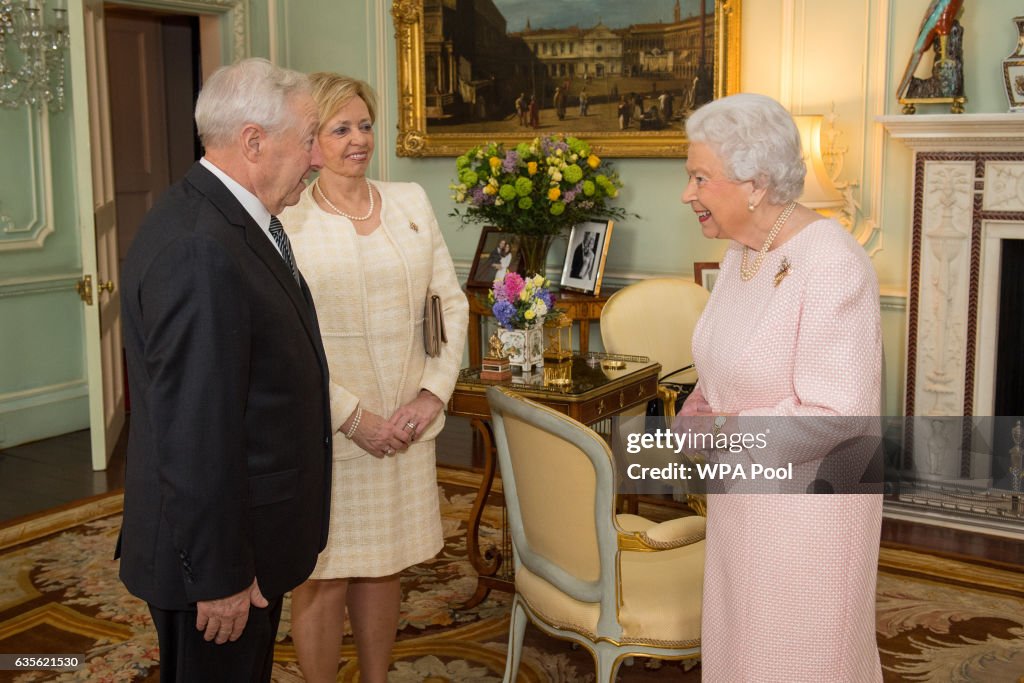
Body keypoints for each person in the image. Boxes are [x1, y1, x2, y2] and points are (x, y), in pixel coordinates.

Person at [117, 58, 331, 682]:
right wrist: (221, 577)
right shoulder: (200, 247)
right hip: (214, 570)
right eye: (309, 137)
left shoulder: (224, 221)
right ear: (253, 141)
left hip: (244, 544)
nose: (317, 157)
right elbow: (195, 430)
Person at [674, 93, 883, 682]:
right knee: (743, 649)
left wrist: (719, 436)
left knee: (799, 657)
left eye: (700, 178)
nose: (687, 194)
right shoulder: (746, 253)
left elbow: (837, 413)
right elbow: (724, 367)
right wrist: (698, 407)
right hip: (746, 499)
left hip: (808, 516)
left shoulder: (832, 263)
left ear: (756, 183)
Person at [279, 73, 468, 683]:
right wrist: (352, 418)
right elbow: (287, 342)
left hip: (408, 427)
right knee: (322, 571)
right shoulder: (288, 220)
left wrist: (429, 396)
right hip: (329, 430)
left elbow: (450, 306)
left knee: (386, 563)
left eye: (364, 125)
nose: (358, 139)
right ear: (311, 140)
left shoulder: (410, 199)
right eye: (340, 129)